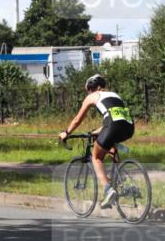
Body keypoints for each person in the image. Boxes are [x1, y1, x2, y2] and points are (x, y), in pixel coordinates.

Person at [58, 74, 135, 208]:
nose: (88, 93)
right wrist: (96, 132)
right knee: (110, 144)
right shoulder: (115, 95)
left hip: (113, 125)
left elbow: (78, 119)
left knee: (96, 157)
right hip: (129, 126)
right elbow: (115, 118)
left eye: (88, 90)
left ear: (90, 88)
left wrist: (66, 132)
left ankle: (108, 190)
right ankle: (122, 181)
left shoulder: (92, 96)